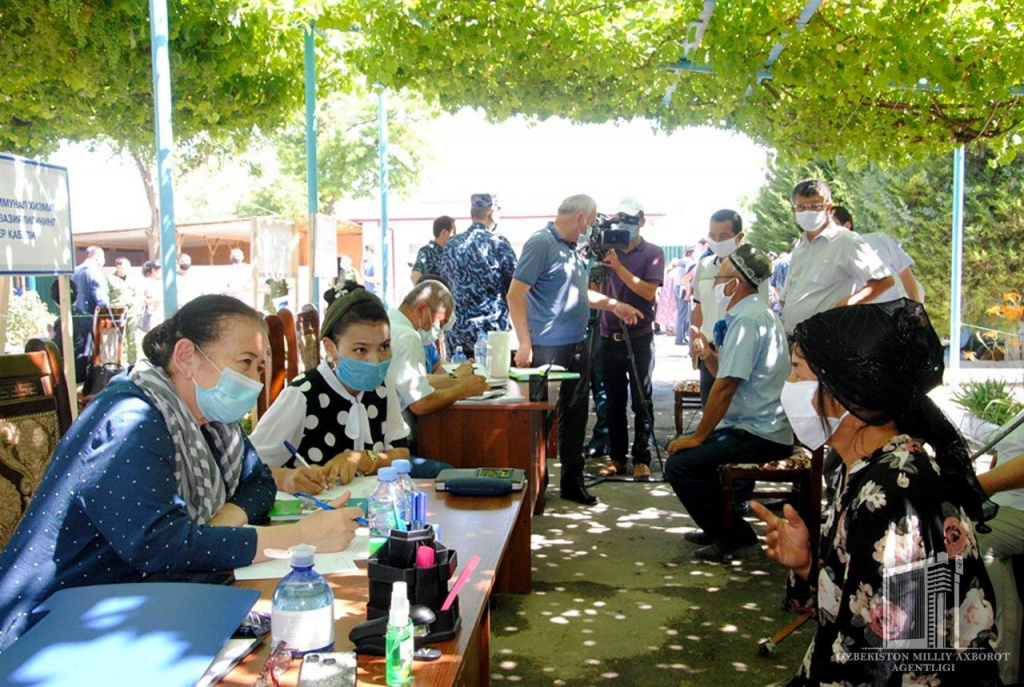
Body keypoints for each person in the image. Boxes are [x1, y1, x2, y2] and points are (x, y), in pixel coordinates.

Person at [0, 295, 363, 651]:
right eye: (246, 362)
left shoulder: (213, 421)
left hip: (144, 602)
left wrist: (218, 524)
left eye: (260, 367)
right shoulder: (131, 421)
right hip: (55, 624)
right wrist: (299, 538)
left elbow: (259, 482)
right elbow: (161, 547)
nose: (255, 380)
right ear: (187, 356)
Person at [753, 299, 999, 685]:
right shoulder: (864, 466)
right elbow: (866, 608)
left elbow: (882, 661)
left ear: (842, 389)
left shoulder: (894, 491)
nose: (789, 386)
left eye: (797, 371)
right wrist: (805, 565)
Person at [250, 282, 449, 494]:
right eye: (360, 350)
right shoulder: (302, 396)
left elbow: (400, 453)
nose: (375, 361)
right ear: (330, 348)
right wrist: (287, 478)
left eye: (384, 347)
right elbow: (248, 468)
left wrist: (363, 459)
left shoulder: (382, 385)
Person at [507, 194, 642, 505]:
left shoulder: (571, 250)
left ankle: (572, 483)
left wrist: (615, 305)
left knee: (576, 416)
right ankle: (532, 488)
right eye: (592, 221)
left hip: (577, 345)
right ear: (581, 218)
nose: (593, 227)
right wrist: (525, 342)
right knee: (540, 421)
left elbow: (578, 294)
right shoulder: (541, 243)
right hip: (546, 349)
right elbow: (515, 294)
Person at [665, 245, 793, 560]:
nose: (716, 284)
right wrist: (709, 357)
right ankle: (726, 527)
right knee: (695, 459)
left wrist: (697, 436)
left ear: (736, 284)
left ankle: (728, 535)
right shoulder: (753, 313)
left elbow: (725, 386)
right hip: (754, 426)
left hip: (760, 432)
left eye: (721, 277)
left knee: (681, 465)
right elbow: (727, 371)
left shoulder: (749, 319)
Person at [597, 197, 664, 480]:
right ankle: (616, 456)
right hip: (608, 335)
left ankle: (642, 458)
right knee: (612, 402)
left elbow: (648, 292)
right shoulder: (605, 249)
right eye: (620, 218)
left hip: (639, 337)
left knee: (641, 400)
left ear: (641, 222)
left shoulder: (653, 252)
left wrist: (618, 267)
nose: (625, 224)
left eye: (631, 219)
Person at [779, 179, 895, 335]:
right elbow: (786, 296)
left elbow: (884, 280)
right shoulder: (800, 249)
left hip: (827, 338)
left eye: (815, 205)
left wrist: (850, 302)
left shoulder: (846, 241)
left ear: (828, 207)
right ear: (794, 210)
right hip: (793, 338)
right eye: (801, 207)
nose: (808, 211)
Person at [386, 279, 488, 447]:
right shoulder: (408, 337)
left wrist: (456, 379)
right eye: (440, 323)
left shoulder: (389, 321)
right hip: (397, 443)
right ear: (421, 309)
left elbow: (415, 381)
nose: (439, 331)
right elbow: (421, 403)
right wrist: (462, 389)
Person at [439, 193, 517, 355]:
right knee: (494, 379)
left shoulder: (451, 245)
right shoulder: (498, 244)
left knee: (460, 377)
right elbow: (515, 287)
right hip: (491, 332)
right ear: (492, 213)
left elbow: (444, 284)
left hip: (457, 331)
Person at [975, 425, 1024, 684]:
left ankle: (1004, 671)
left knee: (978, 539)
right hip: (1003, 506)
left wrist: (970, 486)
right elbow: (999, 461)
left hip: (1018, 511)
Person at [691, 210, 745, 406]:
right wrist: (695, 344)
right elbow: (698, 306)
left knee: (736, 414)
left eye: (724, 236)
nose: (717, 240)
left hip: (738, 354)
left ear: (739, 237)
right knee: (710, 411)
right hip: (708, 352)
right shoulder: (704, 265)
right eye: (712, 236)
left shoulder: (751, 268)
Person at [832, 205, 922, 302]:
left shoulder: (878, 241)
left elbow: (904, 273)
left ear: (847, 226)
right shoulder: (829, 263)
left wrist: (917, 307)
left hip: (897, 311)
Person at [49, 279, 93, 383]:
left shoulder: (63, 321)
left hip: (72, 373)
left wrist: (51, 335)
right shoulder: (88, 317)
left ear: (55, 299)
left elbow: (56, 352)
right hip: (89, 370)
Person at [107, 256, 138, 363]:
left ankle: (132, 362)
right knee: (118, 339)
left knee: (132, 339)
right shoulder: (110, 279)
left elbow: (135, 294)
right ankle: (119, 362)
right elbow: (107, 297)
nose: (126, 270)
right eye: (124, 267)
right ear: (118, 267)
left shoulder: (132, 279)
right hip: (117, 313)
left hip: (131, 313)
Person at [411, 216, 456, 284]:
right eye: (453, 232)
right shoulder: (426, 252)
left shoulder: (452, 252)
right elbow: (415, 276)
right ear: (443, 233)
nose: (455, 236)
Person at [72, 245, 110, 316]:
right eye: (103, 257)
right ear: (96, 258)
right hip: (89, 317)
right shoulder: (94, 271)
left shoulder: (75, 271)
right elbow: (101, 298)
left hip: (75, 316)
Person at [674, 248, 695, 346]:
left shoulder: (681, 261)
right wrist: (688, 292)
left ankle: (679, 337)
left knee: (680, 314)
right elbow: (686, 279)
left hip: (678, 289)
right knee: (683, 315)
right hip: (683, 290)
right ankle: (679, 338)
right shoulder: (688, 262)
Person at [655, 258, 679, 337]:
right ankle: (670, 329)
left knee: (667, 312)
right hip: (672, 295)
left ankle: (668, 329)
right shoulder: (673, 273)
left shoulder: (667, 274)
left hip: (665, 296)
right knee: (672, 312)